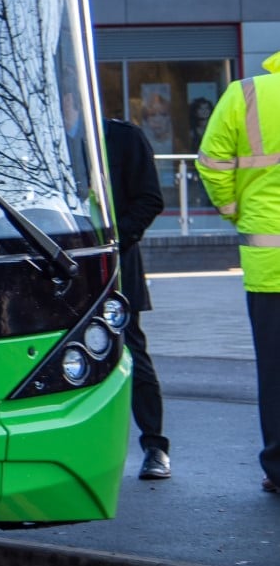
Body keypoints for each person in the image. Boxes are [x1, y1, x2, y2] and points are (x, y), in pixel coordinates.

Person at [195, 54, 280, 495]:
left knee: (276, 371)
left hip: (270, 265)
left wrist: (235, 212)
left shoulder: (247, 94)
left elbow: (211, 163)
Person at [104, 115, 169, 478]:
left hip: (116, 267)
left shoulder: (124, 137)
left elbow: (150, 199)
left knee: (131, 350)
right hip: (62, 268)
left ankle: (156, 447)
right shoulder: (56, 142)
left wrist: (115, 243)